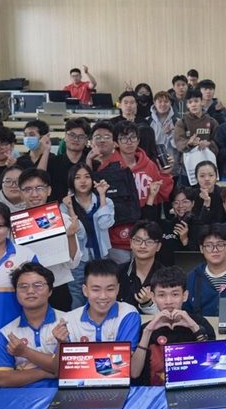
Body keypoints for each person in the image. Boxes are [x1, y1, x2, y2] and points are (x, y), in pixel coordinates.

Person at [91, 121, 173, 263]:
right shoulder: (106, 167)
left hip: (145, 232)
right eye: (123, 138)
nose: (129, 142)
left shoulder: (150, 165)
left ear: (138, 140)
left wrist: (165, 175)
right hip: (117, 235)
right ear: (116, 142)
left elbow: (163, 195)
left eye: (133, 137)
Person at [130, 266, 214, 385]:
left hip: (193, 388)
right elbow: (134, 373)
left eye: (175, 294)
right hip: (155, 391)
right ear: (153, 297)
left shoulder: (200, 323)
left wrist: (194, 328)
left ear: (185, 296)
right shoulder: (146, 329)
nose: (168, 301)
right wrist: (147, 332)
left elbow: (214, 367)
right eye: (161, 295)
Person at [17, 169, 82, 311]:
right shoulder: (16, 223)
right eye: (28, 189)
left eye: (40, 188)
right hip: (27, 290)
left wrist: (70, 236)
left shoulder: (63, 219)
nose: (34, 194)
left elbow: (73, 263)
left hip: (57, 287)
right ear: (20, 193)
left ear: (49, 190)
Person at [0, 262, 63, 388]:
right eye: (23, 286)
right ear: (15, 292)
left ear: (50, 291)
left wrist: (24, 352)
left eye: (38, 285)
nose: (30, 291)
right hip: (24, 396)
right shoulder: (6, 333)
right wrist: (43, 373)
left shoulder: (68, 322)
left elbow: (65, 367)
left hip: (65, 392)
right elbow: (4, 380)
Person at [59, 259, 142, 343]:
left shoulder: (127, 314)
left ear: (117, 289)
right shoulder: (69, 320)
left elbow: (126, 351)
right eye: (96, 290)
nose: (103, 296)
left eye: (110, 289)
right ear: (85, 290)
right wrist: (61, 344)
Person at [68, 162, 115, 308]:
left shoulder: (106, 201)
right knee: (77, 292)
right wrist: (70, 209)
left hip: (101, 253)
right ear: (71, 181)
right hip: (78, 256)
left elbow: (105, 224)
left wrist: (102, 196)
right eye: (77, 177)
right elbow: (79, 233)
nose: (83, 181)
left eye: (87, 177)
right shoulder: (66, 205)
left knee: (101, 291)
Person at [183, 225, 226, 317]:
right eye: (209, 245)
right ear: (201, 249)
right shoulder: (191, 278)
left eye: (220, 245)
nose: (215, 250)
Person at [117, 220, 167, 311]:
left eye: (149, 241)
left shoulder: (166, 276)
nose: (143, 246)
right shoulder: (118, 273)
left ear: (158, 246)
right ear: (131, 243)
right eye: (138, 240)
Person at [173, 88, 219, 180]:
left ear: (202, 102)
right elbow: (178, 142)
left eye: (196, 101)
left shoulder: (212, 122)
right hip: (187, 168)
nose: (193, 104)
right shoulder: (182, 122)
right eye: (190, 102)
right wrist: (189, 143)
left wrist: (209, 144)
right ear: (187, 105)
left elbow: (218, 142)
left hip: (208, 165)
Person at [149, 91, 178, 166]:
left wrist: (170, 134)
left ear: (170, 103)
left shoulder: (177, 121)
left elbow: (179, 146)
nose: (163, 104)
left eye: (166, 101)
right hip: (152, 164)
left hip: (172, 164)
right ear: (154, 103)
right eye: (160, 101)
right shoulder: (147, 121)